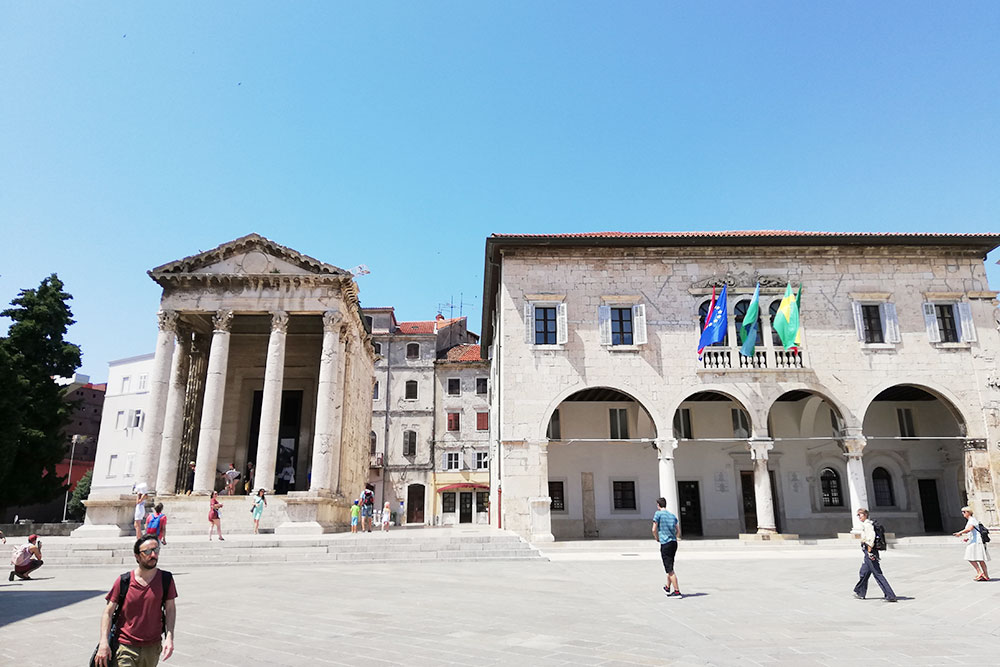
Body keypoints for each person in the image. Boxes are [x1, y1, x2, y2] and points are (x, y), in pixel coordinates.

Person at [94, 536, 177, 667]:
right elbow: (108, 613)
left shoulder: (166, 579)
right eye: (148, 552)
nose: (153, 555)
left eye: (156, 550)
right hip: (125, 646)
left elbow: (170, 609)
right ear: (137, 556)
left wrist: (169, 637)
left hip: (152, 647)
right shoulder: (124, 581)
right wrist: (103, 642)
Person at [853, 508, 897, 602]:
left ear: (865, 515)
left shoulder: (868, 525)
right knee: (863, 573)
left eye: (860, 515)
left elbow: (871, 538)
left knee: (878, 574)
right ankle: (860, 591)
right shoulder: (865, 524)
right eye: (858, 515)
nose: (858, 517)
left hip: (870, 552)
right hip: (867, 552)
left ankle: (890, 595)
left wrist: (869, 552)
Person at [652, 497, 682, 597]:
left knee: (670, 569)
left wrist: (657, 538)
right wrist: (676, 537)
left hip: (665, 543)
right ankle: (667, 587)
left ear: (658, 505)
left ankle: (677, 591)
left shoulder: (658, 514)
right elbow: (678, 530)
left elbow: (654, 529)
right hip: (673, 542)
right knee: (670, 565)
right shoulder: (672, 515)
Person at [953, 505, 990, 581]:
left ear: (968, 512)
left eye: (964, 512)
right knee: (980, 559)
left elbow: (969, 529)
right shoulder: (972, 520)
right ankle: (986, 575)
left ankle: (980, 572)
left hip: (976, 542)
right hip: (975, 540)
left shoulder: (972, 520)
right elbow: (973, 532)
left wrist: (960, 533)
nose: (963, 514)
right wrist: (968, 538)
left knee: (969, 556)